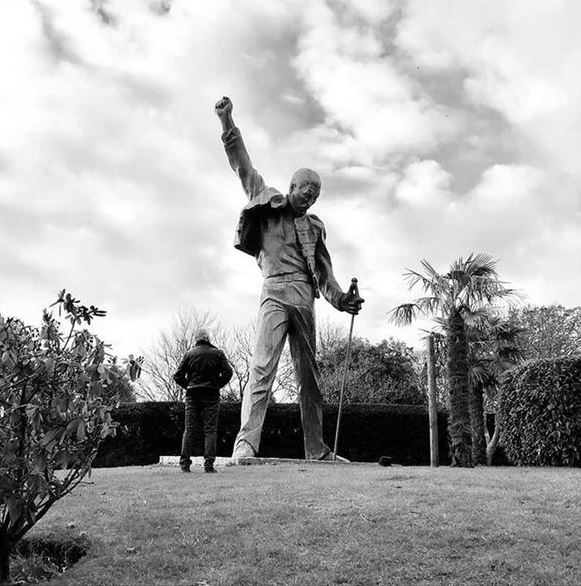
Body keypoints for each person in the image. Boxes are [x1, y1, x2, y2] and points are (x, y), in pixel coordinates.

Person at [215, 96, 364, 463]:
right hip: (274, 292)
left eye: (315, 195)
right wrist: (226, 121)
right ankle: (246, 443)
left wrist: (344, 299)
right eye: (305, 191)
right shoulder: (267, 205)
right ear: (292, 186)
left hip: (305, 298)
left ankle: (317, 449)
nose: (310, 199)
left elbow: (325, 274)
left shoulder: (315, 226)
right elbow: (242, 167)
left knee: (309, 378)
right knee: (262, 367)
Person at [173, 329, 233, 473]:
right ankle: (209, 465)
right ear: (208, 338)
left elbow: (177, 375)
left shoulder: (189, 354)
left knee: (189, 429)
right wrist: (218, 383)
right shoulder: (218, 353)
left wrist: (188, 385)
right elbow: (228, 372)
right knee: (210, 429)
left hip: (192, 394)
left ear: (196, 339)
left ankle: (185, 464)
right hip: (211, 394)